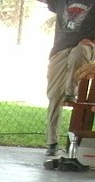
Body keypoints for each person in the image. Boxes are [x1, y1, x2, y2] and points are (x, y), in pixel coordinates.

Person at [42, 0, 95, 163]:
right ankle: (52, 142)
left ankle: (71, 93)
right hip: (60, 49)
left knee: (78, 52)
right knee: (53, 95)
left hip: (85, 47)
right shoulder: (60, 1)